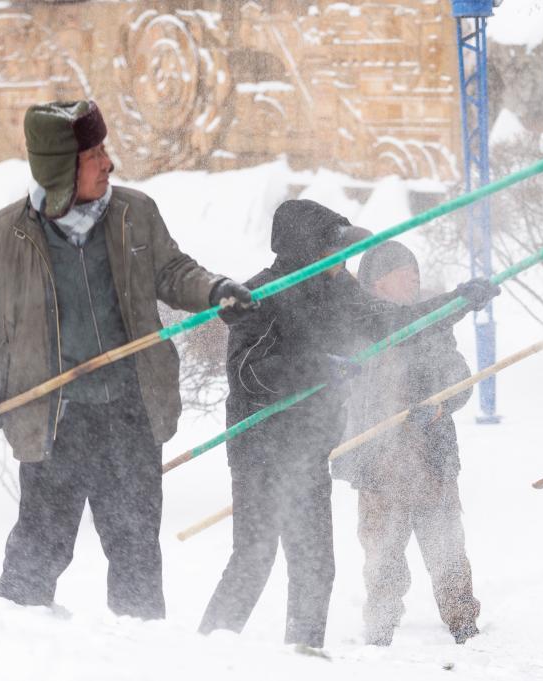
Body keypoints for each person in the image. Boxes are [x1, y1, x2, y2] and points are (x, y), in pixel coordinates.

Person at [0, 100, 256, 619]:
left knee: (136, 555)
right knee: (38, 553)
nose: (108, 163)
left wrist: (215, 290)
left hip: (130, 414)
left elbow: (173, 272)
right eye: (94, 154)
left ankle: (139, 660)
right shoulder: (3, 237)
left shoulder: (134, 214)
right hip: (54, 421)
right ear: (61, 169)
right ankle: (12, 651)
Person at [198, 199, 499, 652]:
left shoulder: (338, 292)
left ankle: (302, 655)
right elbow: (247, 374)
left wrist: (455, 303)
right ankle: (204, 654)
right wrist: (317, 368)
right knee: (254, 558)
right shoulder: (259, 295)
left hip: (310, 447)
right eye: (334, 251)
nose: (343, 261)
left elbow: (396, 323)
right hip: (261, 450)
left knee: (315, 564)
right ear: (307, 251)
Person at [331, 240, 480, 646]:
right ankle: (380, 623)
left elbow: (460, 381)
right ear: (377, 282)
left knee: (447, 547)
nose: (413, 276)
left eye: (415, 269)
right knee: (382, 555)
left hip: (431, 460)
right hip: (378, 467)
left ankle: (463, 620)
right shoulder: (357, 330)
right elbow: (344, 396)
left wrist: (436, 407)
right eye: (402, 270)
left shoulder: (431, 326)